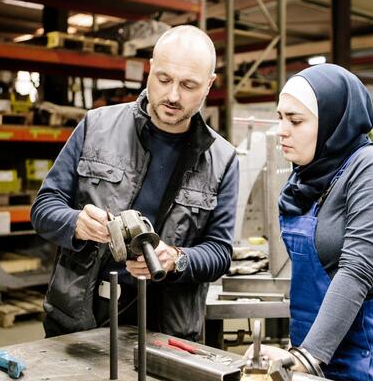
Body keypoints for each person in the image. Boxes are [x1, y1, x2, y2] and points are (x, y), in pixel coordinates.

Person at [31, 25, 239, 340]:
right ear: (150, 69)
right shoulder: (96, 127)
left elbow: (219, 252)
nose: (172, 95)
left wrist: (177, 259)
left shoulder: (222, 159)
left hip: (167, 332)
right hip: (79, 321)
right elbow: (43, 209)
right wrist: (77, 223)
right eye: (164, 79)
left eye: (188, 85)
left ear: (209, 85)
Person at [251, 64, 373, 380]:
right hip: (317, 355)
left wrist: (307, 355)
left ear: (334, 121)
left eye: (295, 120)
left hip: (372, 360)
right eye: (280, 117)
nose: (281, 130)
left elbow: (357, 271)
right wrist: (303, 354)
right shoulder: (305, 177)